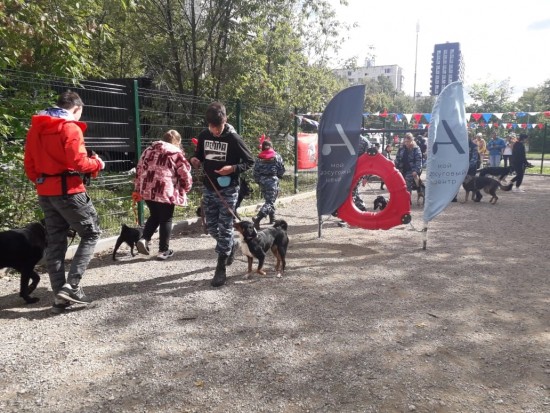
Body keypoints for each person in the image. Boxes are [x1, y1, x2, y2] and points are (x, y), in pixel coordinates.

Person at [23, 91, 105, 314]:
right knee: (91, 233)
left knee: (56, 242)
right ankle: (72, 287)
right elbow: (78, 162)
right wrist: (97, 164)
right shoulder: (70, 127)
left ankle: (60, 296)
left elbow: (29, 166)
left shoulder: (36, 128)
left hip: (45, 192)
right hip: (70, 190)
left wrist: (44, 182)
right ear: (77, 109)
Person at [190, 102, 254, 287]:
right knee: (210, 227)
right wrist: (195, 159)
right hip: (210, 187)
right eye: (211, 126)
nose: (214, 130)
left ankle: (220, 268)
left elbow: (250, 161)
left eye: (217, 126)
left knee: (225, 226)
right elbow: (200, 155)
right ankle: (229, 246)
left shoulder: (234, 138)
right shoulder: (204, 135)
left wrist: (233, 168)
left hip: (228, 189)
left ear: (225, 120)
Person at [134, 130, 193, 260]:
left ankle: (144, 239)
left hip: (147, 189)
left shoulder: (148, 150)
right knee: (166, 219)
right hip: (165, 190)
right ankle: (163, 250)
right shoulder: (176, 153)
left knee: (155, 215)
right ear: (178, 142)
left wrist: (138, 188)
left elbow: (139, 169)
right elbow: (184, 173)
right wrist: (187, 187)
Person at [252, 139, 285, 228]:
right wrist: (278, 176)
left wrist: (259, 180)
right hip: (272, 180)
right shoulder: (277, 156)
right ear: (271, 147)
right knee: (270, 202)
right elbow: (281, 169)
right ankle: (258, 218)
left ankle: (272, 218)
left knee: (268, 200)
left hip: (262, 181)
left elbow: (255, 171)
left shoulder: (259, 158)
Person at [394, 132, 423, 197]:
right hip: (402, 169)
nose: (406, 143)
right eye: (405, 141)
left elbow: (419, 160)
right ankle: (401, 199)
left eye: (408, 141)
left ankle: (407, 200)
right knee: (399, 185)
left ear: (412, 141)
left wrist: (416, 170)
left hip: (411, 170)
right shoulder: (401, 148)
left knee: (407, 185)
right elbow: (397, 158)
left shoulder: (416, 149)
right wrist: (395, 167)